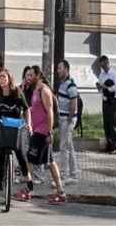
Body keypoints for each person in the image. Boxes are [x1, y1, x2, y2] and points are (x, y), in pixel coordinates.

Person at [14, 65, 67, 204]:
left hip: (42, 132)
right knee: (50, 161)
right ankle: (60, 192)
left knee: (31, 160)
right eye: (28, 75)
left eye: (31, 75)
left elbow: (50, 112)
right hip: (38, 130)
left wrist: (50, 132)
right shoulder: (35, 90)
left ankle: (27, 191)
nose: (29, 78)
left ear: (38, 75)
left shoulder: (44, 90)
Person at [0, 69, 31, 192]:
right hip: (3, 126)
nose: (1, 79)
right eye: (0, 77)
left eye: (4, 77)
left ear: (9, 78)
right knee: (1, 152)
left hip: (17, 127)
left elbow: (26, 109)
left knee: (20, 153)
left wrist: (28, 124)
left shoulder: (17, 92)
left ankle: (28, 178)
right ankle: (0, 180)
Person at [56, 60, 79, 183]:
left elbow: (73, 103)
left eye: (60, 68)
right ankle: (74, 175)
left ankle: (62, 178)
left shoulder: (71, 85)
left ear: (66, 69)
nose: (58, 70)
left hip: (67, 120)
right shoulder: (62, 83)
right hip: (63, 118)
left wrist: (69, 120)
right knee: (69, 147)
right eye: (58, 68)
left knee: (63, 147)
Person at [96, 55, 116, 154]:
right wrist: (99, 87)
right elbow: (101, 87)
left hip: (112, 100)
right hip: (105, 100)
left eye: (104, 66)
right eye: (101, 67)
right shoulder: (102, 75)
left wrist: (107, 88)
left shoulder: (113, 74)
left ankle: (114, 145)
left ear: (107, 63)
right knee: (106, 123)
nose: (103, 68)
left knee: (112, 122)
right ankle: (108, 144)